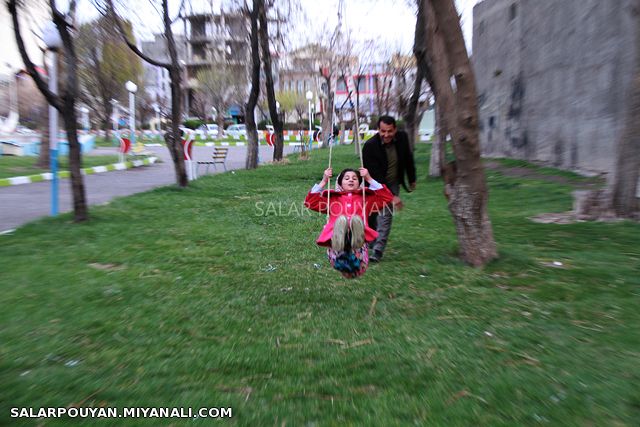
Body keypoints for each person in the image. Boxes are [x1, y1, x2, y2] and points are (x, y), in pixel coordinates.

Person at [304, 167, 393, 278]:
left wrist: (369, 178)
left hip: (357, 242)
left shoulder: (365, 198)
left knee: (355, 222)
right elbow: (310, 203)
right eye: (347, 178)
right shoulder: (332, 199)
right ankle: (340, 237)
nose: (351, 180)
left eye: (355, 178)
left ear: (359, 183)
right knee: (343, 222)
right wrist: (324, 181)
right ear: (340, 183)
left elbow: (387, 198)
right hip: (337, 240)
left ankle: (355, 236)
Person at [362, 115, 417, 263]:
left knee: (385, 215)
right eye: (383, 131)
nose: (386, 135)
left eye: (390, 131)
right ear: (378, 129)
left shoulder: (403, 138)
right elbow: (375, 175)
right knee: (371, 215)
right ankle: (372, 240)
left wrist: (412, 178)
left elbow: (408, 158)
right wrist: (391, 196)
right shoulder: (370, 146)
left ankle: (378, 251)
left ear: (395, 129)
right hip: (373, 183)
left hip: (393, 181)